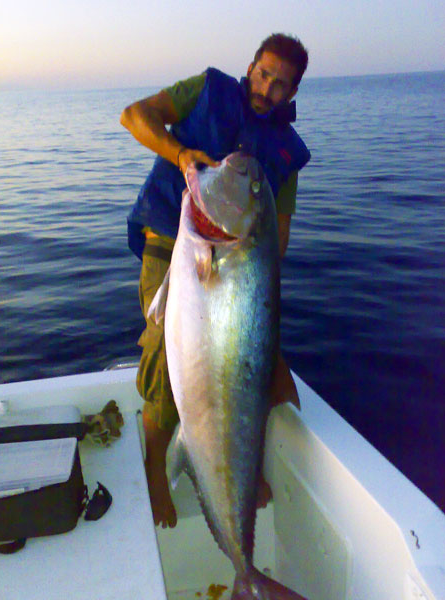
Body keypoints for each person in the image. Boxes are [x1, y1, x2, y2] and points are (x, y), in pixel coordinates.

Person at [120, 33, 311, 528]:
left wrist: (244, 272)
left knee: (245, 366)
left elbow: (278, 237)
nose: (267, 89)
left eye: (281, 85)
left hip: (233, 265)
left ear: (293, 92)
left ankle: (233, 479)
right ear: (251, 67)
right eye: (263, 74)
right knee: (167, 355)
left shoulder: (288, 154)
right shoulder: (207, 89)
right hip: (172, 240)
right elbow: (135, 116)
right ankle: (155, 468)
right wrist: (181, 154)